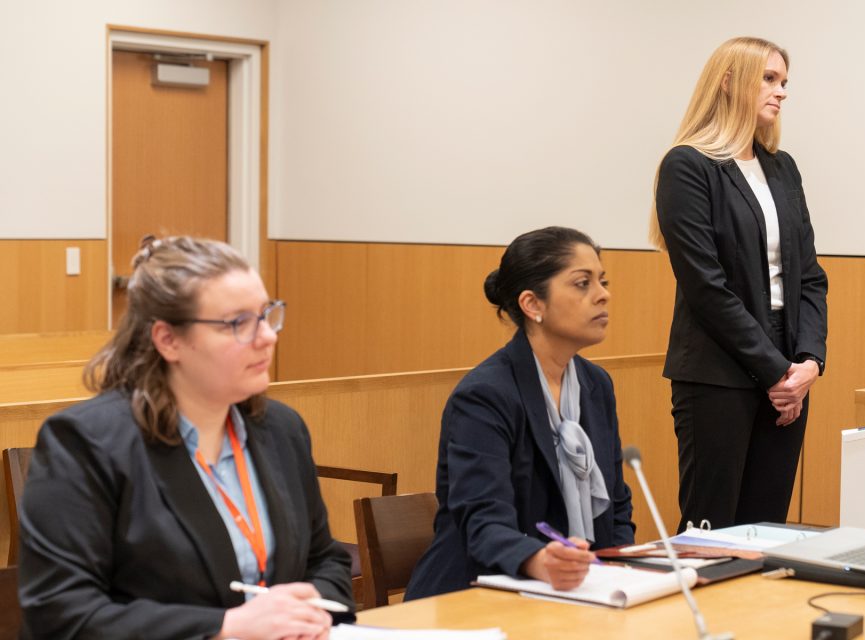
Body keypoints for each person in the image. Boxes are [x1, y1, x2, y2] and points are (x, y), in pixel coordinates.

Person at [18, 236, 354, 640]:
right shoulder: (86, 443)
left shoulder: (281, 429)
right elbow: (60, 614)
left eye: (267, 314)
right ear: (168, 340)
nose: (268, 336)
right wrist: (225, 627)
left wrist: (310, 607)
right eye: (239, 323)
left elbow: (325, 559)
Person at [651, 37, 828, 530]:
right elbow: (706, 288)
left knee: (765, 534)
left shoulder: (782, 168)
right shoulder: (687, 166)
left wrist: (809, 362)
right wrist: (776, 373)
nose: (781, 91)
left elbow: (810, 277)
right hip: (718, 374)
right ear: (729, 82)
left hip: (788, 373)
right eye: (769, 79)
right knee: (714, 534)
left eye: (784, 82)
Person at [405, 226, 635, 599]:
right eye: (582, 283)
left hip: (578, 589)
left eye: (602, 281)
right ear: (533, 305)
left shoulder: (596, 386)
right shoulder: (485, 395)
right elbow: (483, 520)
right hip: (475, 593)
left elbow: (617, 502)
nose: (603, 295)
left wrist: (616, 564)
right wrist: (539, 560)